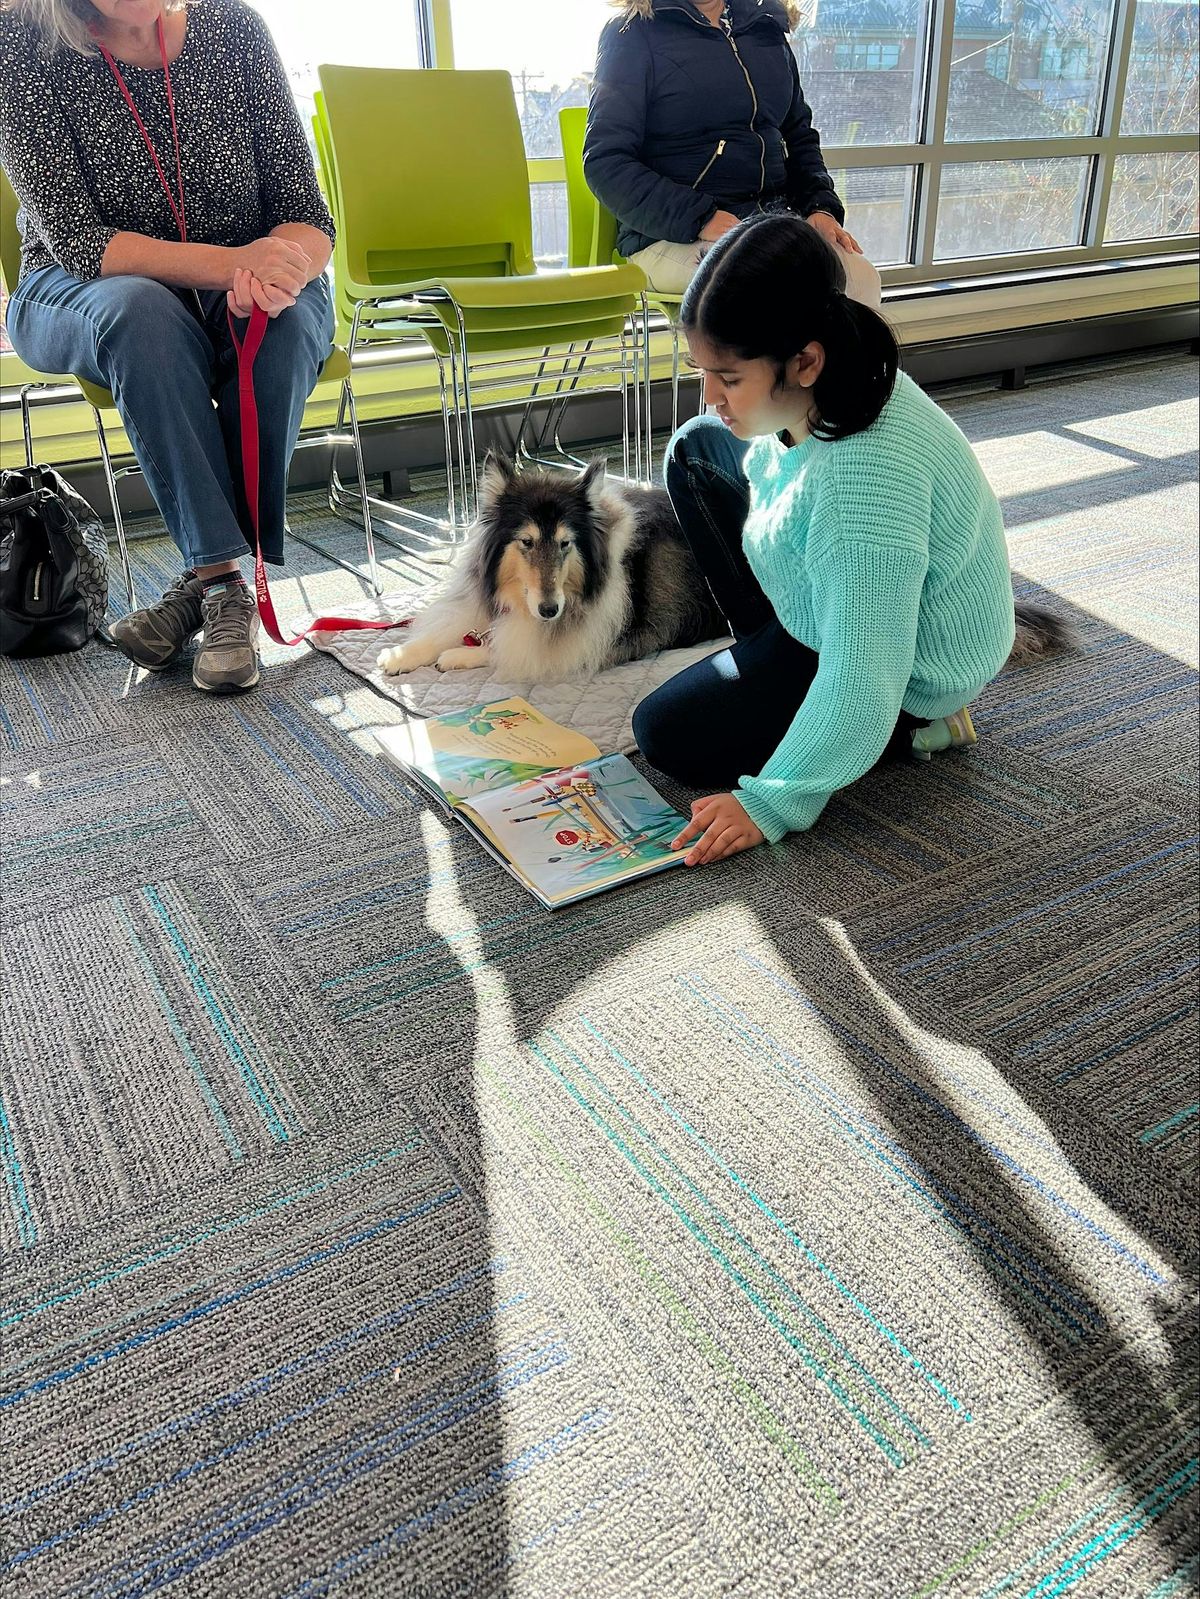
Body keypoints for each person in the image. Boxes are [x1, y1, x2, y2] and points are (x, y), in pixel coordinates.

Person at [632, 213, 1020, 867]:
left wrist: (769, 803)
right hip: (858, 602)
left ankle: (912, 731)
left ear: (805, 360)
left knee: (664, 734)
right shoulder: (848, 364)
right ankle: (774, 653)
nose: (713, 394)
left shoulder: (859, 493)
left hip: (912, 670)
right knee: (695, 450)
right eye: (704, 371)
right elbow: (748, 449)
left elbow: (865, 677)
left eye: (729, 378)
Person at [0, 0, 336, 692]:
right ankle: (223, 580)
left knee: (291, 322)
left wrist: (279, 271)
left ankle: (205, 589)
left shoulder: (234, 27)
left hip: (239, 280)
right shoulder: (19, 40)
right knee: (143, 314)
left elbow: (308, 215)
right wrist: (237, 265)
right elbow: (83, 242)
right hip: (74, 285)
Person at [584, 0, 879, 307]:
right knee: (770, 285)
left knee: (860, 278)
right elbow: (606, 162)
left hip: (768, 223)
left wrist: (820, 207)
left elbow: (799, 137)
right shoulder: (630, 33)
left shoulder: (765, 27)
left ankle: (820, 357)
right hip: (670, 237)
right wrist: (700, 218)